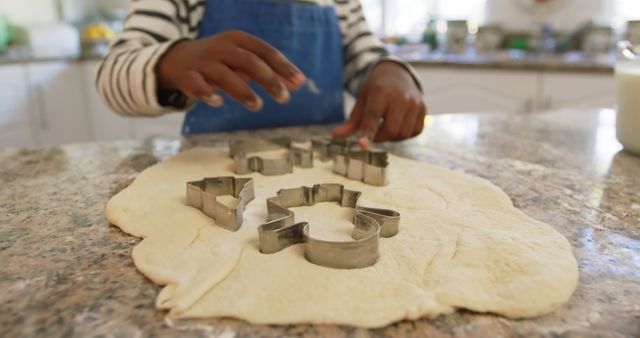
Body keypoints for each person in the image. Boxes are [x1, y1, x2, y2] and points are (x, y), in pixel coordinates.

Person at [96, 0, 426, 149]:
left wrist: (391, 70)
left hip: (327, 167)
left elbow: (363, 54)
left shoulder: (341, 3)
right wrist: (169, 63)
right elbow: (113, 75)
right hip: (211, 171)